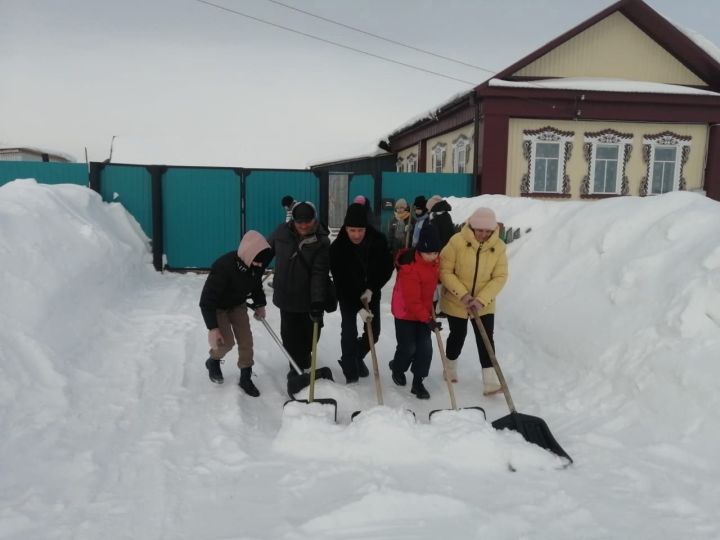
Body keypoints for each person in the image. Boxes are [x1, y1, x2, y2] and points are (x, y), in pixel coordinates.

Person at [439, 207, 508, 393]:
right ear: (471, 226)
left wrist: (481, 299)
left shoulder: (499, 247)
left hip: (484, 303)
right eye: (480, 230)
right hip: (457, 301)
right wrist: (463, 295)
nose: (483, 235)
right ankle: (450, 368)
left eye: (487, 231)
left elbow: (500, 276)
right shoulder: (457, 242)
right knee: (457, 336)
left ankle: (491, 382)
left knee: (486, 338)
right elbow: (445, 271)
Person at [199, 230, 273, 397]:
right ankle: (213, 361)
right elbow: (206, 301)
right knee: (226, 343)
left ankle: (245, 377)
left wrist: (260, 304)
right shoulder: (223, 266)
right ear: (249, 253)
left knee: (246, 340)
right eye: (258, 261)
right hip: (218, 307)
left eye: (263, 262)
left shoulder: (256, 265)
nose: (261, 265)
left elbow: (256, 286)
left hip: (237, 305)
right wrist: (213, 327)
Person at [330, 203, 394, 383]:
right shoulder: (337, 248)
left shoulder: (378, 240)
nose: (356, 235)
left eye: (360, 230)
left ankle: (356, 356)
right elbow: (341, 282)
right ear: (346, 228)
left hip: (371, 292)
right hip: (348, 294)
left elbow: (387, 268)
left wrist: (372, 288)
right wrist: (359, 307)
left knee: (374, 331)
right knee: (349, 331)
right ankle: (350, 372)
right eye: (352, 230)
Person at [267, 201, 331, 378]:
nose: (303, 225)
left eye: (307, 221)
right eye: (299, 221)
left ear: (314, 219)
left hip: (308, 297)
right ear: (293, 221)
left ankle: (303, 357)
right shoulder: (281, 233)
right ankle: (294, 365)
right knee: (288, 335)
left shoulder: (322, 240)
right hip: (286, 294)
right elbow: (265, 252)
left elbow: (320, 273)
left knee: (311, 334)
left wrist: (317, 301)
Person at [388, 226, 441, 400]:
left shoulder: (435, 262)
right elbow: (412, 301)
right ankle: (397, 367)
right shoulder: (409, 268)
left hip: (423, 311)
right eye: (429, 253)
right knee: (408, 347)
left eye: (436, 252)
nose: (433, 256)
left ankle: (418, 383)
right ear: (420, 250)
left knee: (425, 348)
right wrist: (428, 320)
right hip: (405, 311)